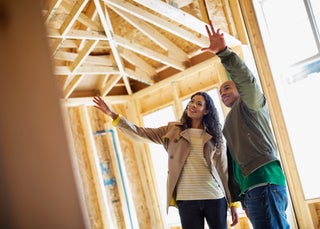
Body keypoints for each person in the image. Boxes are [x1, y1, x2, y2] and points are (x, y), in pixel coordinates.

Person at [93, 92, 239, 229]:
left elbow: (223, 170)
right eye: (192, 101)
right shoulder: (172, 130)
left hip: (214, 198)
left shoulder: (214, 136)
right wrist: (113, 115)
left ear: (206, 111)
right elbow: (140, 133)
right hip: (186, 200)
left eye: (199, 104)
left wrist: (233, 203)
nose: (192, 105)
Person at [202, 20, 290, 229]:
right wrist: (240, 197)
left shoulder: (251, 104)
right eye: (220, 92)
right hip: (251, 189)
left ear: (240, 90)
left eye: (228, 88)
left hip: (264, 182)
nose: (223, 93)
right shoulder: (232, 121)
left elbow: (247, 80)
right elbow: (233, 161)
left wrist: (224, 52)